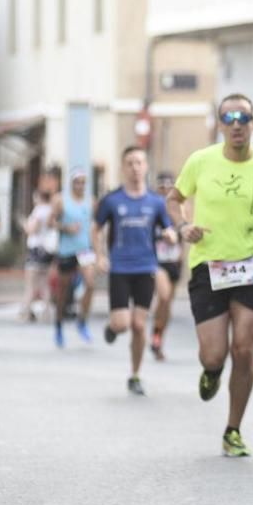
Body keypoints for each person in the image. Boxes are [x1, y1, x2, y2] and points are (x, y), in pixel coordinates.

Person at [166, 93, 253, 457]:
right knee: (214, 355)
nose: (236, 124)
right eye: (229, 117)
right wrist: (183, 225)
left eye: (243, 117)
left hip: (251, 263)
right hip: (208, 266)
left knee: (244, 349)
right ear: (221, 125)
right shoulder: (201, 161)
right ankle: (211, 370)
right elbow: (173, 199)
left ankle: (233, 428)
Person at [93, 146, 176, 395]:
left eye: (139, 162)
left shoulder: (156, 202)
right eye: (130, 163)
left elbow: (168, 227)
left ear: (146, 166)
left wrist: (171, 235)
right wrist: (99, 256)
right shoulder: (112, 200)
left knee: (139, 325)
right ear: (123, 167)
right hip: (119, 268)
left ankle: (136, 374)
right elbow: (96, 228)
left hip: (146, 267)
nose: (135, 168)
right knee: (122, 324)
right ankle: (112, 328)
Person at [53, 167, 96, 347]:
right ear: (71, 183)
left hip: (84, 250)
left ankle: (82, 320)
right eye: (77, 182)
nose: (80, 186)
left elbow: (95, 227)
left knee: (91, 284)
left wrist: (98, 251)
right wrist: (66, 228)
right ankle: (59, 323)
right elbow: (50, 221)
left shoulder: (91, 202)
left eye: (83, 183)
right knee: (63, 291)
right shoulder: (61, 200)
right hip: (66, 251)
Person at [150, 171, 183, 361]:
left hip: (173, 261)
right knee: (162, 296)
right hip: (157, 260)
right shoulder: (152, 208)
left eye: (169, 187)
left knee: (167, 303)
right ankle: (156, 336)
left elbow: (183, 234)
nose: (165, 191)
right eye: (161, 187)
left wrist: (182, 257)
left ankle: (158, 336)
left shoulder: (178, 208)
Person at [19, 171, 60, 323]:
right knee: (44, 283)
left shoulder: (39, 211)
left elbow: (32, 229)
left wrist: (25, 225)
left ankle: (25, 311)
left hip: (36, 249)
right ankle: (47, 312)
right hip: (47, 250)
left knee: (30, 283)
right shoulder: (51, 210)